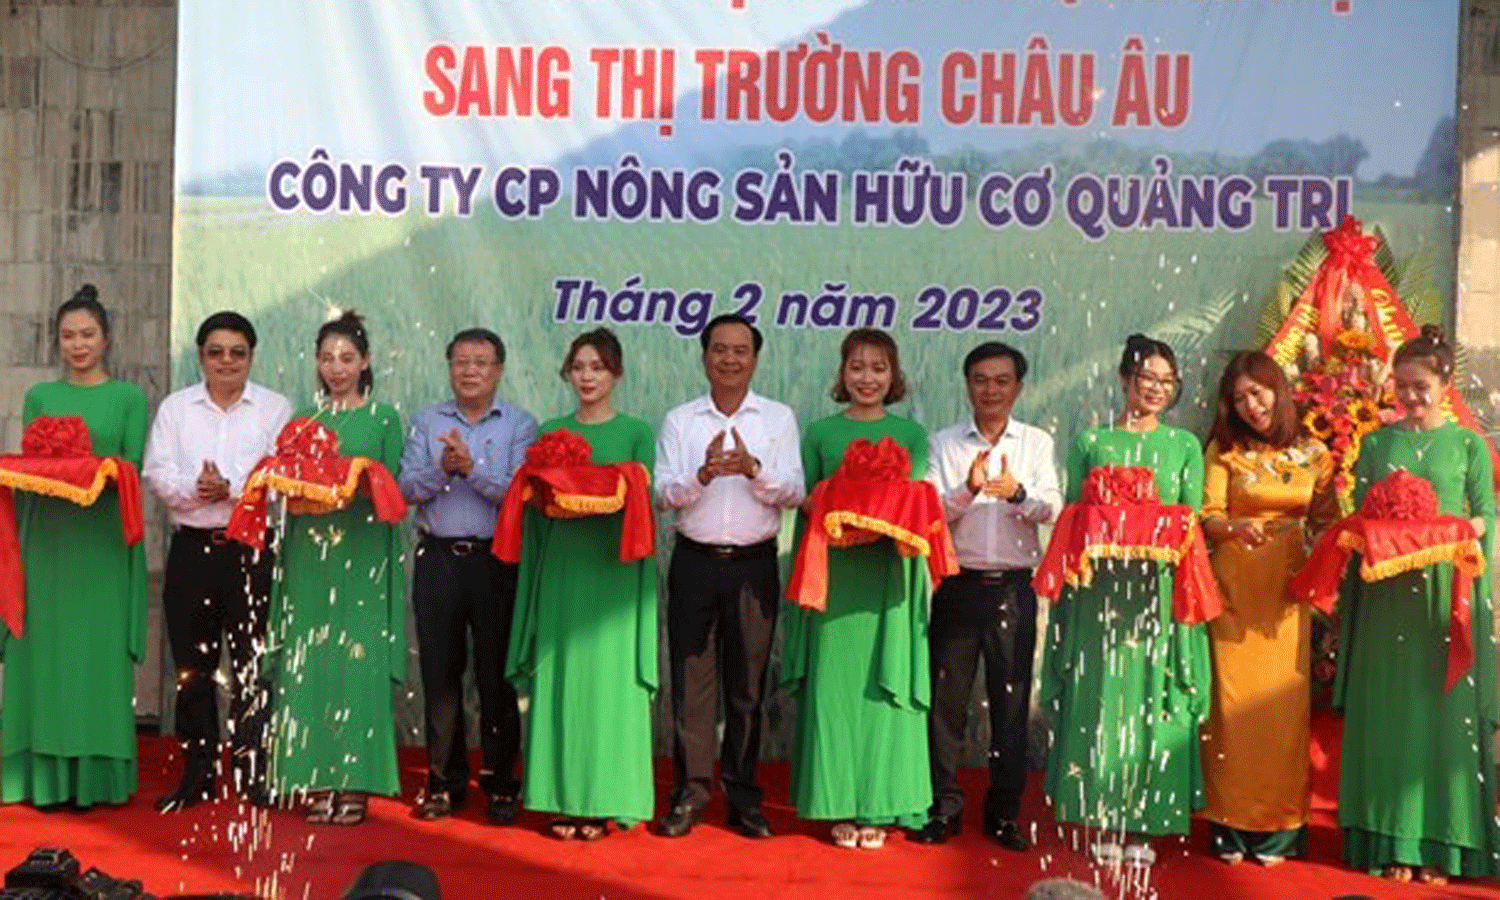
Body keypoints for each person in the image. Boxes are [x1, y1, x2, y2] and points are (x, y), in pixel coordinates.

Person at [1336, 325, 1497, 884]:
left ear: (1446, 383)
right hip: (1386, 599)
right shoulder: (1377, 445)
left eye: (1420, 386)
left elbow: (1488, 516)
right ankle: (1388, 842)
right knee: (1389, 719)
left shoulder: (1468, 445)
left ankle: (1443, 846)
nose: (1409, 396)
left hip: (1443, 600)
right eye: (1400, 386)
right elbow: (1357, 518)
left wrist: (1457, 531)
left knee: (1443, 722)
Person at [1041, 334, 1210, 866]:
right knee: (1099, 699)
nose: (1156, 390)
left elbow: (1192, 520)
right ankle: (1099, 817)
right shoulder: (1092, 441)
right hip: (1098, 597)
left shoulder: (1183, 446)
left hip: (1156, 595)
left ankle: (1145, 823)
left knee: (1151, 702)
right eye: (1146, 380)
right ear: (1124, 380)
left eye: (1167, 382)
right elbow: (1073, 516)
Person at [654, 313, 804, 838]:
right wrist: (702, 475)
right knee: (691, 685)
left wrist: (752, 470)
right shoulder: (681, 420)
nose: (730, 359)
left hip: (753, 565)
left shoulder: (778, 419)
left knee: (747, 688)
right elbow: (663, 493)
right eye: (720, 349)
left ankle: (743, 798)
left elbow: (794, 491)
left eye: (741, 350)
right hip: (694, 561)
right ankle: (690, 794)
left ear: (755, 359)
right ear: (704, 357)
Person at [783, 328, 933, 849]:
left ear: (894, 377)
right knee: (836, 691)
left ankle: (881, 806)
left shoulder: (911, 436)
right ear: (842, 375)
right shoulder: (820, 433)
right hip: (836, 579)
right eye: (857, 368)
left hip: (886, 579)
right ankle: (838, 803)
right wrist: (833, 498)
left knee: (883, 692)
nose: (866, 378)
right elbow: (803, 503)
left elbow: (913, 510)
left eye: (878, 368)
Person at [1, 285, 148, 808]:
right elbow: (32, 468)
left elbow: (131, 466)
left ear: (106, 339)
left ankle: (95, 781)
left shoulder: (128, 398)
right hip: (47, 543)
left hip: (102, 542)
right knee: (44, 655)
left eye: (87, 335)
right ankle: (38, 777)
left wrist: (93, 470)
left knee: (96, 660)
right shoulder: (41, 397)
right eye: (68, 336)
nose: (78, 345)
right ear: (57, 341)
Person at [507, 328, 657, 840]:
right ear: (568, 373)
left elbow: (644, 503)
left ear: (616, 374)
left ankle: (604, 801)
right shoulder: (551, 432)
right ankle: (562, 799)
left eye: (598, 367)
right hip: (563, 572)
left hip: (613, 576)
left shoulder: (637, 432)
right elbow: (532, 505)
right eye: (579, 367)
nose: (588, 377)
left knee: (609, 689)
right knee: (563, 683)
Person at [145, 310, 292, 811]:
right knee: (193, 669)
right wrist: (196, 490)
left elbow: (280, 481)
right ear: (201, 356)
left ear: (251, 356)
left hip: (250, 552)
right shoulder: (176, 408)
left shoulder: (275, 408)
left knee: (254, 666)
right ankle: (198, 773)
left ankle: (254, 773)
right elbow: (158, 472)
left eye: (237, 352)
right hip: (191, 549)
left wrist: (232, 489)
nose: (226, 362)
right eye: (216, 352)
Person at [915, 342, 1061, 849]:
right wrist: (968, 491)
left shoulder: (1036, 443)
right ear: (967, 385)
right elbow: (929, 511)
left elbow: (1055, 509)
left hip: (1014, 591)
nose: (991, 390)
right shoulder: (944, 443)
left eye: (1002, 381)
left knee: (1010, 706)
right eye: (981, 379)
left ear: (1018, 387)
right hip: (958, 587)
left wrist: (1018, 495)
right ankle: (943, 809)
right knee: (946, 706)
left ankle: (1003, 814)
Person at [267, 311, 406, 825]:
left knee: (357, 669)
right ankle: (316, 778)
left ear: (365, 361)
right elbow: (284, 486)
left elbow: (396, 493)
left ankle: (357, 784)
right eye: (327, 357)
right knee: (313, 666)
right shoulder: (303, 419)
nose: (336, 367)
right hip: (310, 556)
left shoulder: (384, 419)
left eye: (347, 357)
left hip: (364, 554)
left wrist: (357, 479)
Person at [1199, 351, 1338, 865]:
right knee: (1232, 713)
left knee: (1282, 713)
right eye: (1240, 398)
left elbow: (1329, 522)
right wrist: (1236, 527)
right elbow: (1207, 515)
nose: (1252, 406)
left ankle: (1278, 831)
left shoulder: (1314, 453)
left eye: (1258, 393)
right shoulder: (1224, 451)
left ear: (1279, 390)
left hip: (1289, 596)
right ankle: (1229, 828)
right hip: (1236, 592)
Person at [399, 327, 536, 822]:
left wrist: (470, 467)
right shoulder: (426, 421)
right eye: (461, 361)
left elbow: (519, 494)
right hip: (436, 560)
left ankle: (501, 785)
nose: (471, 370)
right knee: (440, 674)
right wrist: (443, 470)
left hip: (495, 562)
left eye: (482, 362)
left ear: (499, 370)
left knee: (497, 676)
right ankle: (445, 783)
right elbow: (407, 489)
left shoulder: (520, 425)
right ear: (449, 367)